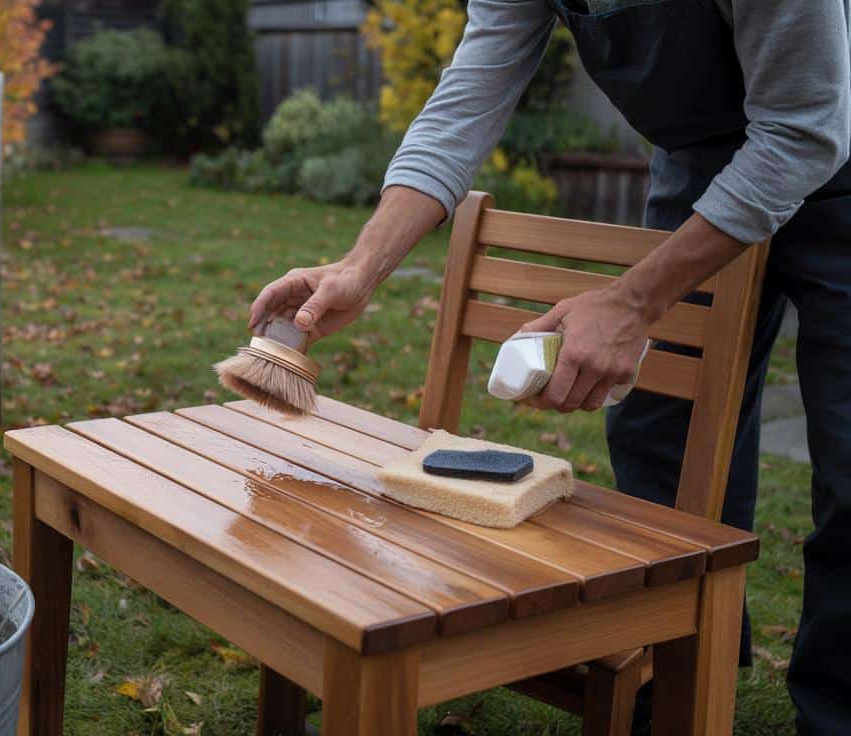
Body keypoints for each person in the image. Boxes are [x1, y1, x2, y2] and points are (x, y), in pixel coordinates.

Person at [248, 1, 851, 732]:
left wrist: (634, 301)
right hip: (703, 164)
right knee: (661, 434)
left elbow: (802, 130)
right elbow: (463, 107)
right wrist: (360, 267)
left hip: (827, 137)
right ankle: (683, 680)